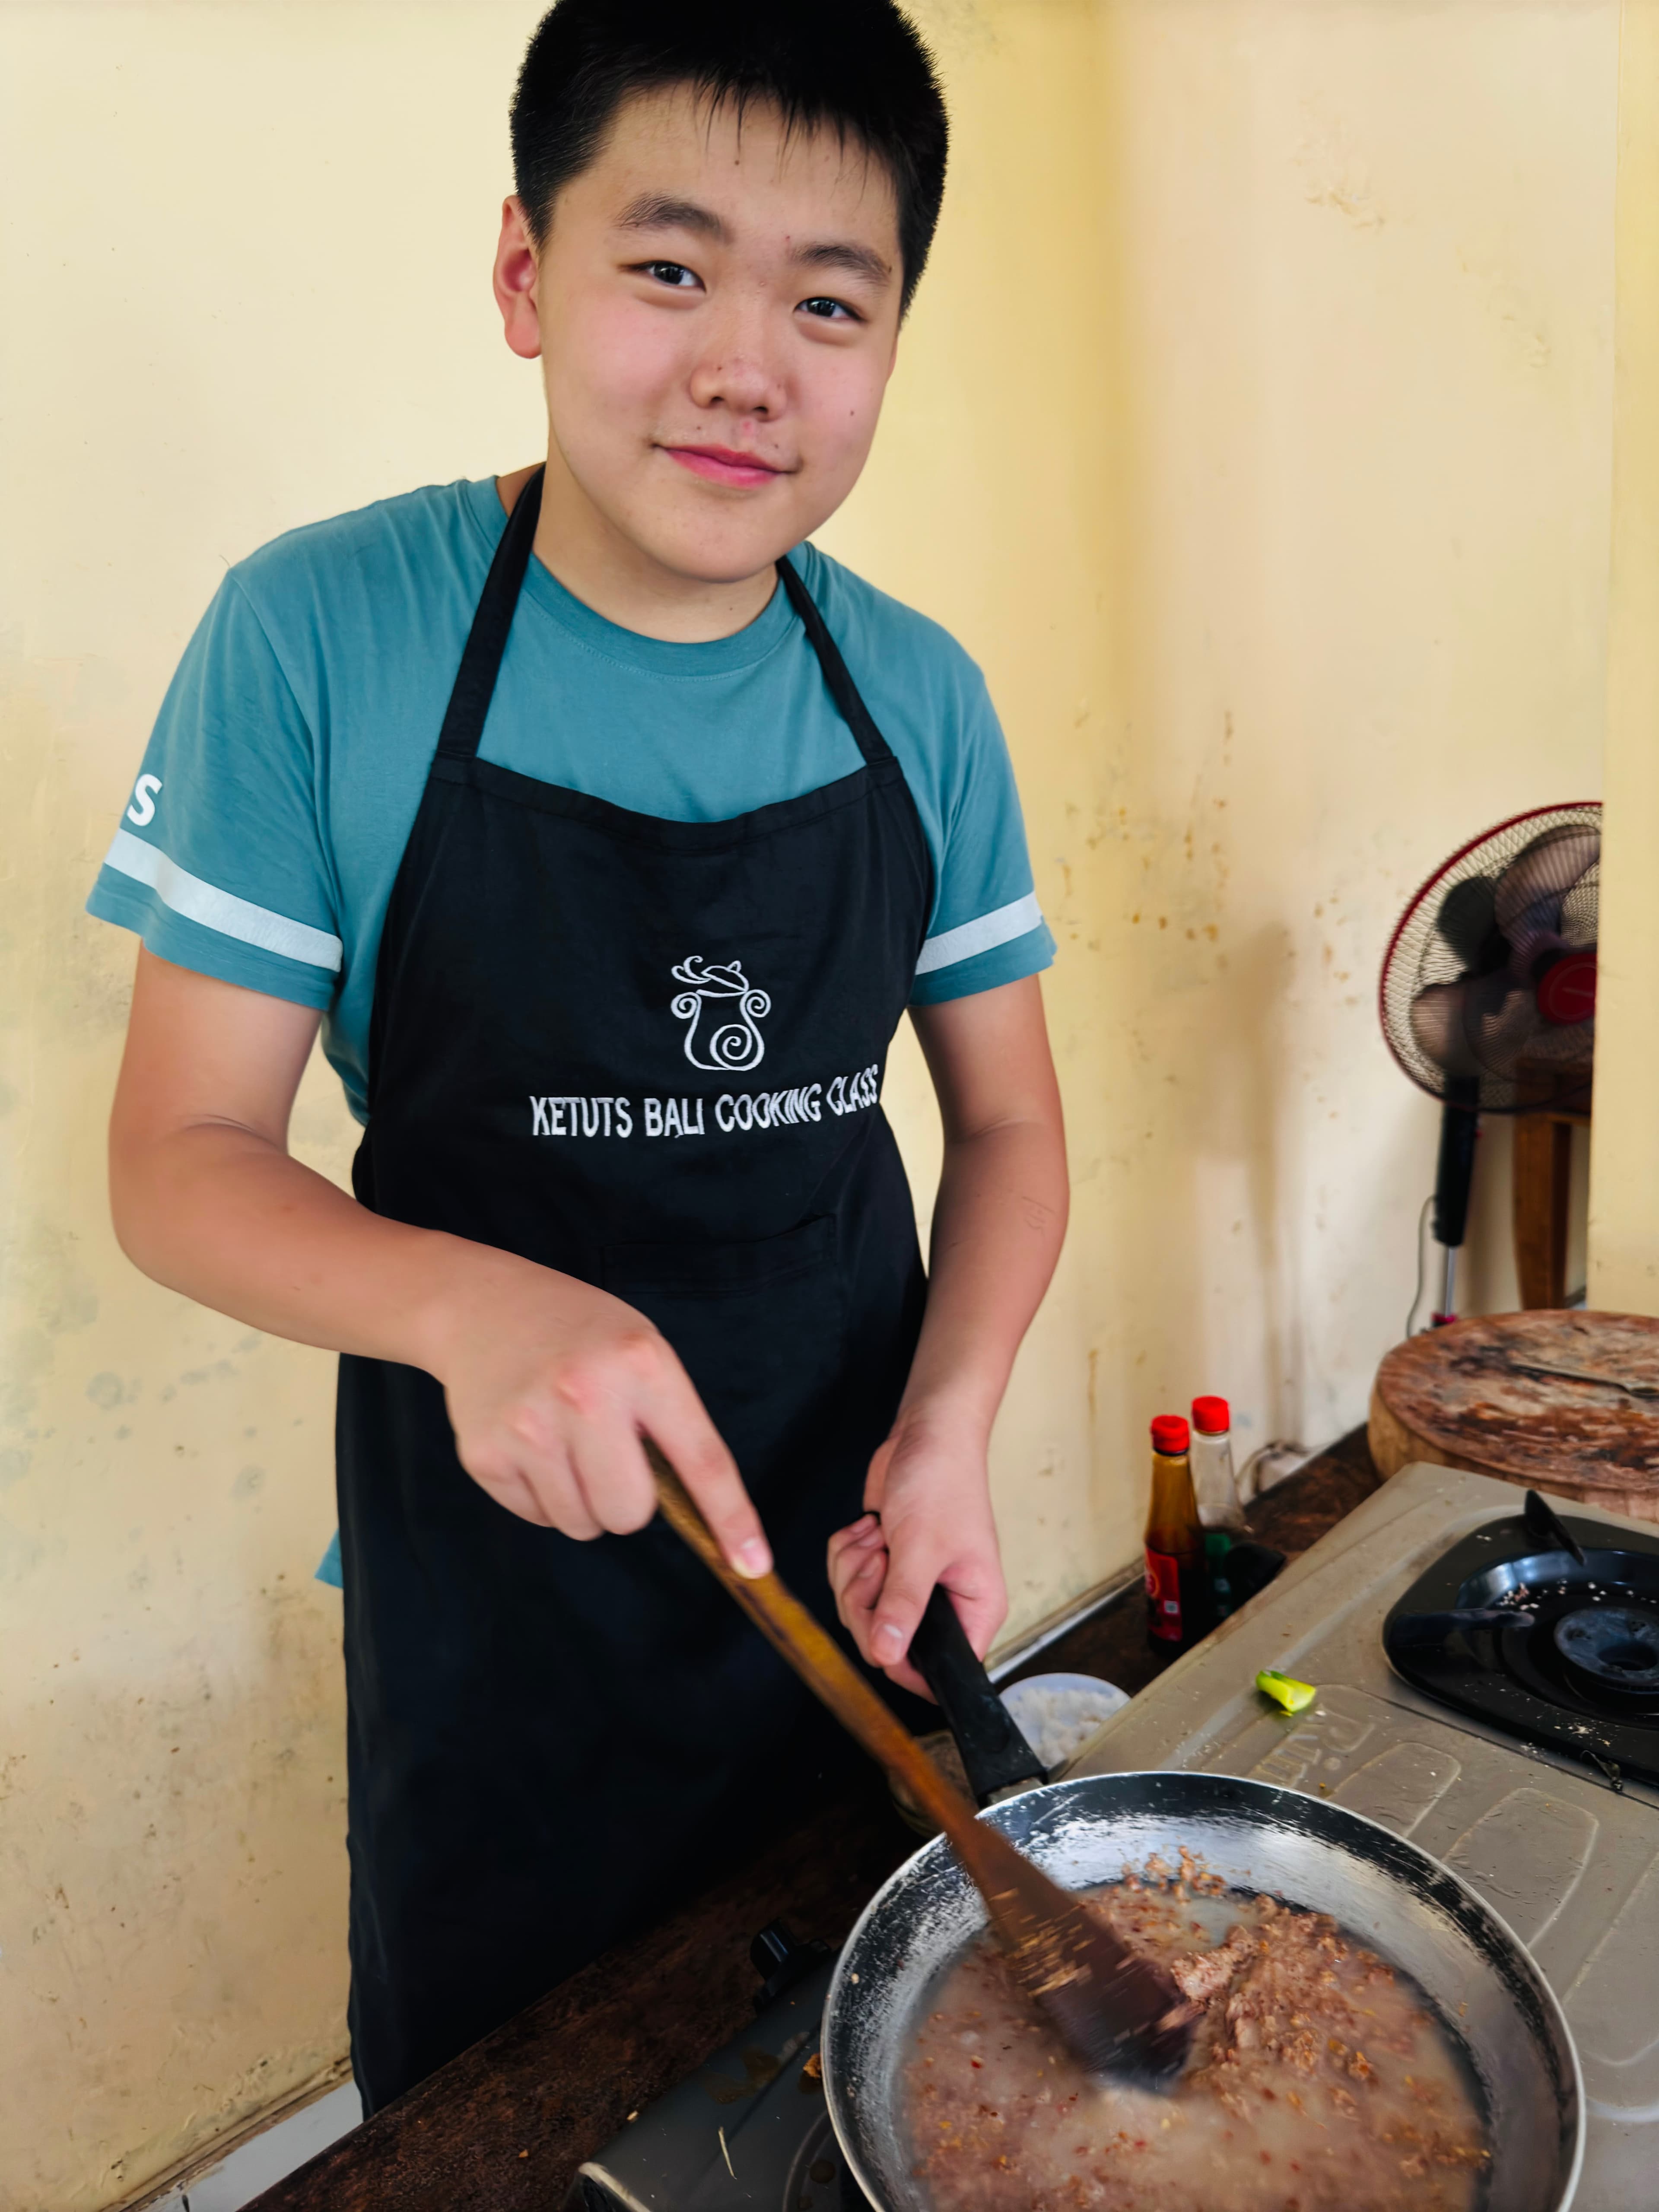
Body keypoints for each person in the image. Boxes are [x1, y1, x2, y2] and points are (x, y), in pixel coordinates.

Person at [91, 0, 1068, 2112]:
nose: (747, 363)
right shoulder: (324, 634)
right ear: (528, 272)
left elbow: (1005, 1123)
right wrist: (473, 1305)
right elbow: (177, 1152)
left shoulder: (922, 696)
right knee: (519, 2117)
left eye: (832, 298)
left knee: (900, 2090)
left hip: (858, 1567)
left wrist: (955, 1424)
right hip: (500, 1606)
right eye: (669, 265)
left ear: (893, 336)